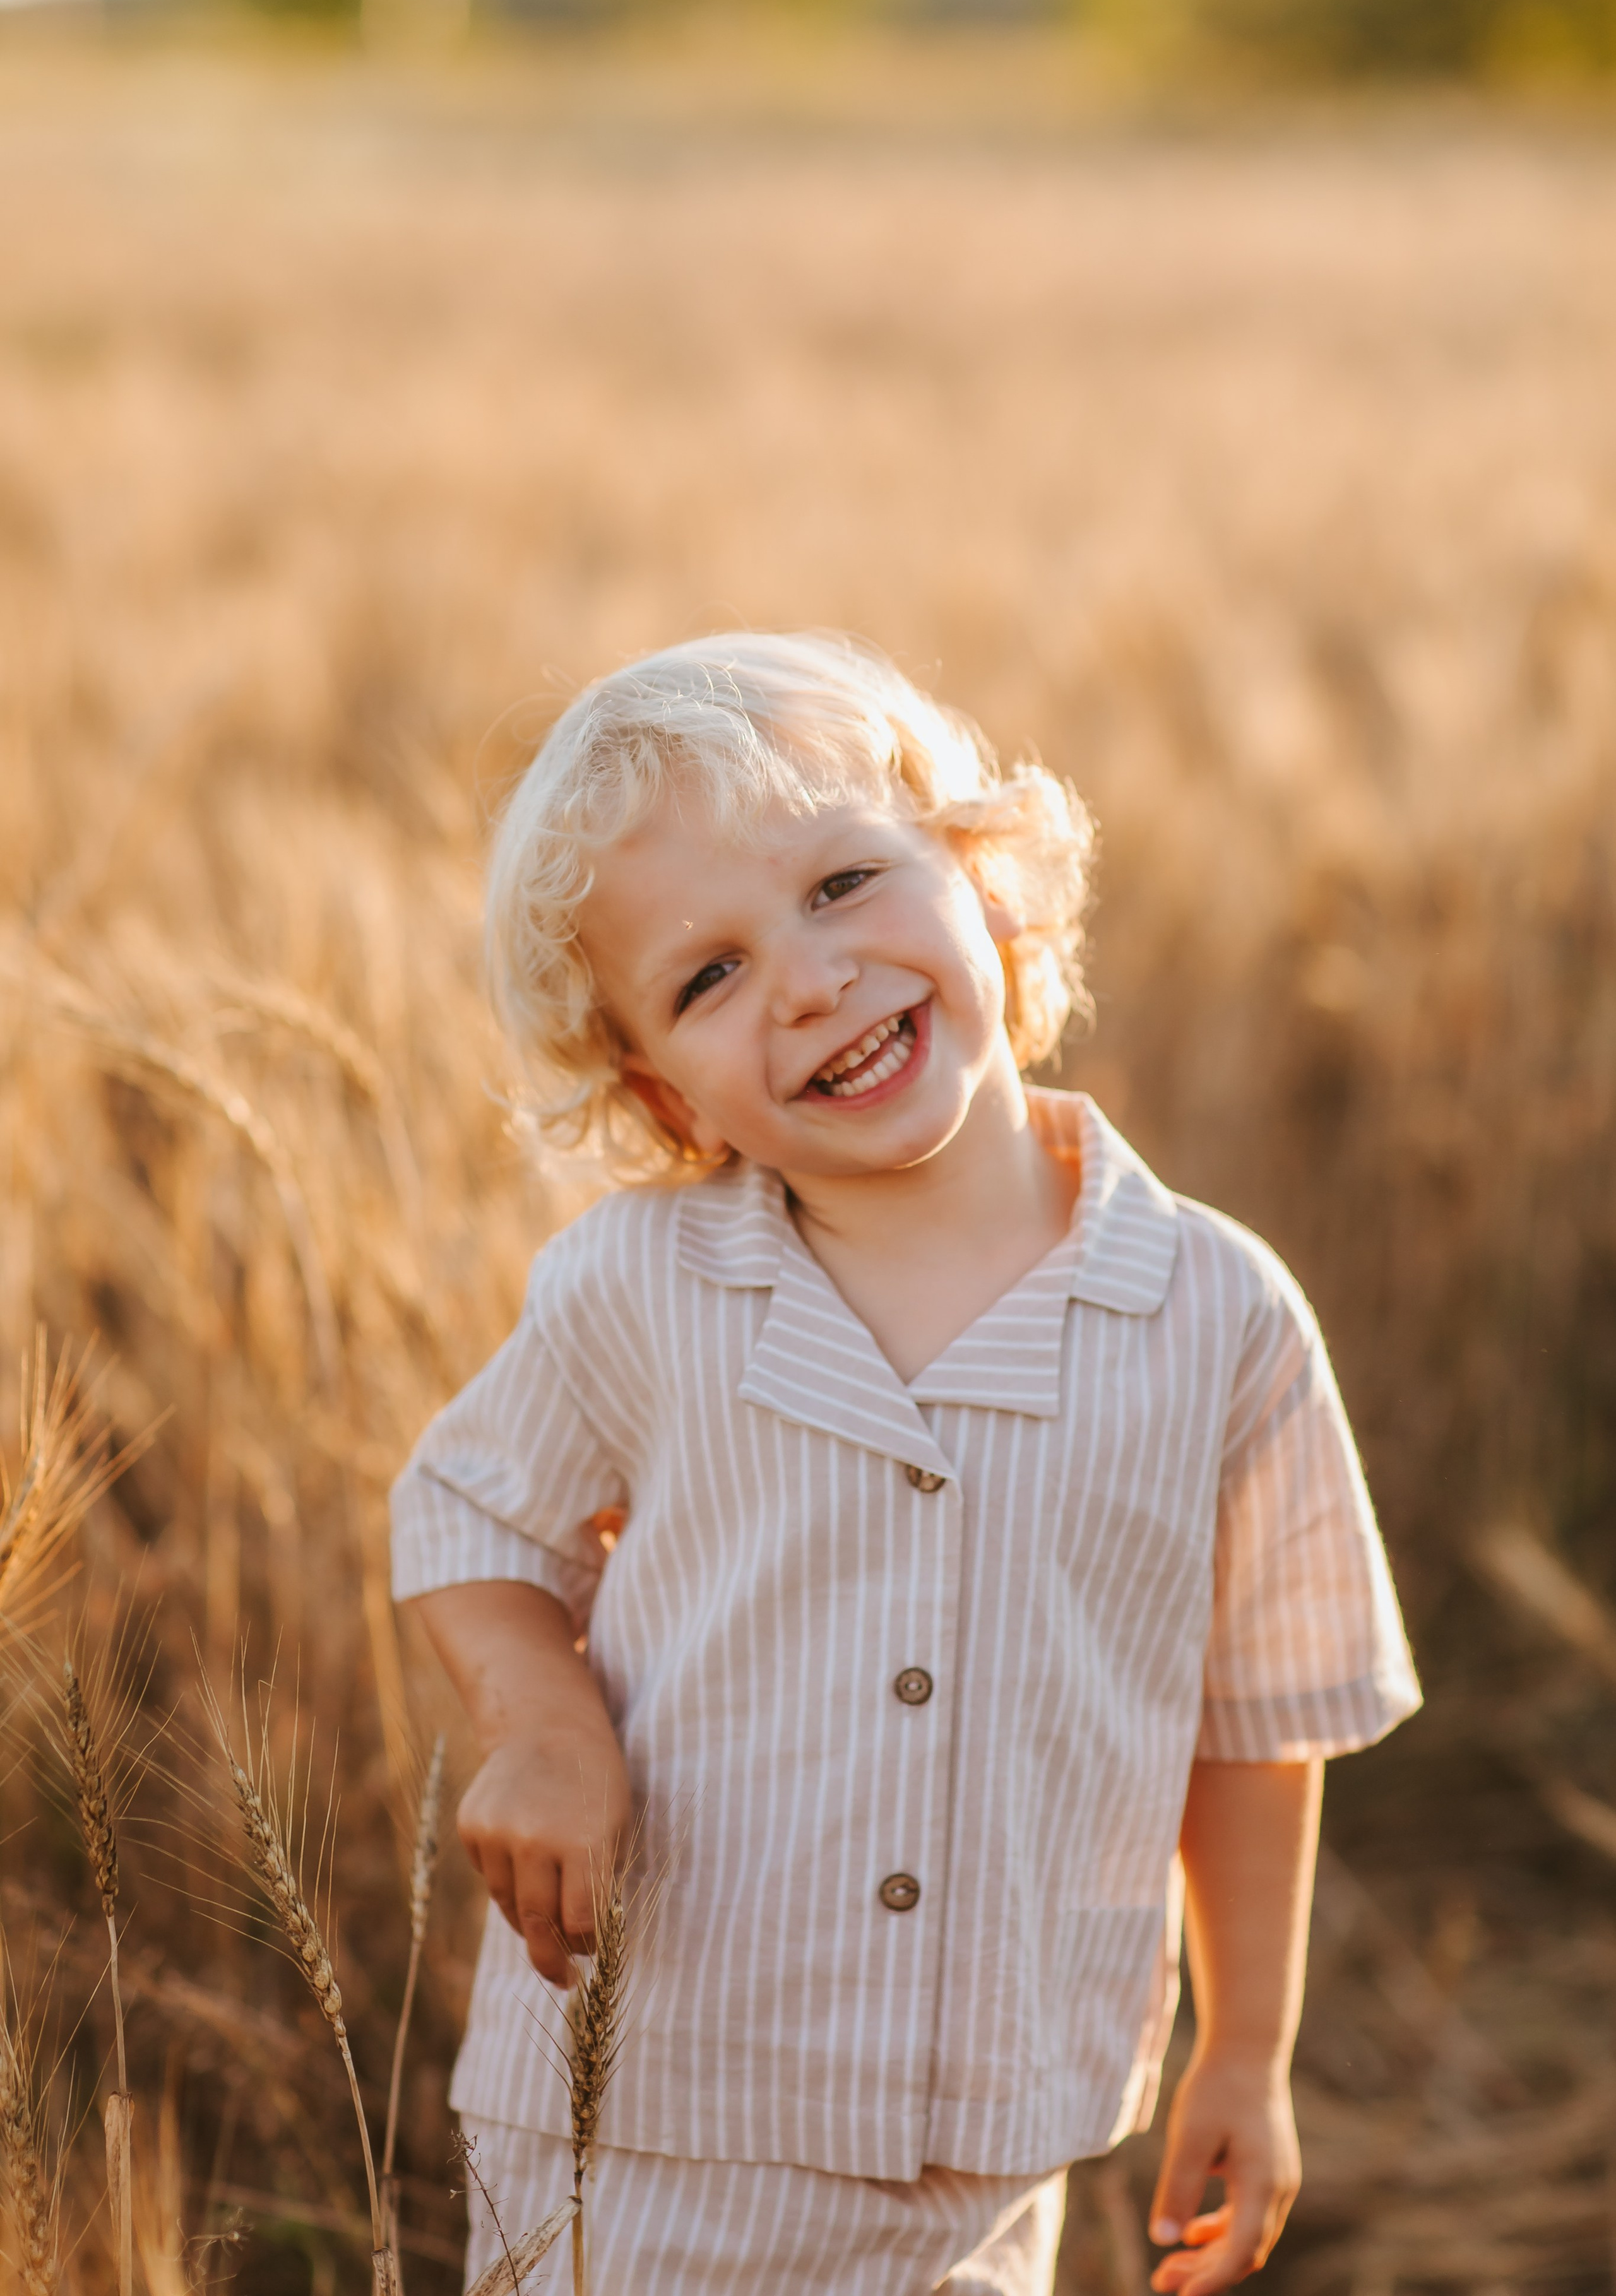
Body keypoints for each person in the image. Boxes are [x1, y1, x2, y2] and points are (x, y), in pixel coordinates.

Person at [390, 633, 1420, 2296]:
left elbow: (1255, 1720)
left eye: (844, 882)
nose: (808, 981)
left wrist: (1249, 2051)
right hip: (635, 2122)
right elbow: (467, 1517)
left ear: (988, 880)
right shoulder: (641, 1289)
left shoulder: (1218, 1317)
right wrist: (545, 1724)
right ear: (665, 1095)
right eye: (708, 978)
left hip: (975, 2148)